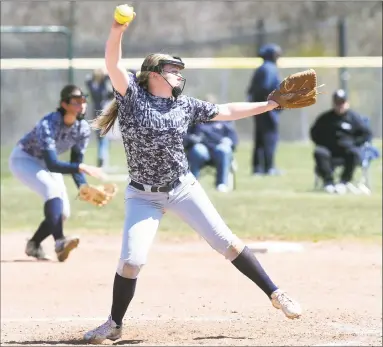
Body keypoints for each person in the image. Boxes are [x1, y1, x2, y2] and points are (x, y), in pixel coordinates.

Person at [84, 14, 302, 344]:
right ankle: (114, 323)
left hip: (182, 188)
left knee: (227, 243)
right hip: (143, 196)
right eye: (173, 70)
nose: (178, 75)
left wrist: (270, 104)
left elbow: (226, 110)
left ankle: (276, 293)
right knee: (131, 262)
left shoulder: (184, 105)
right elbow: (112, 61)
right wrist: (117, 29)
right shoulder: (133, 98)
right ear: (155, 74)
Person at [8, 85, 104, 261]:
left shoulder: (82, 128)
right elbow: (53, 164)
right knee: (52, 190)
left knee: (62, 213)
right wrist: (80, 168)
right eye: (76, 101)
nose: (82, 105)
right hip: (24, 159)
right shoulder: (48, 124)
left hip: (45, 163)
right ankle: (60, 242)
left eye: (83, 101)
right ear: (64, 104)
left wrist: (83, 186)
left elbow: (75, 162)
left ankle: (34, 244)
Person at [310, 89, 372, 194]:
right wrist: (321, 143)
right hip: (329, 151)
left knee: (354, 153)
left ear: (347, 103)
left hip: (347, 151)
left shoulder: (354, 118)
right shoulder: (325, 118)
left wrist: (355, 143)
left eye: (342, 102)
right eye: (337, 103)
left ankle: (344, 181)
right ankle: (328, 182)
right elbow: (314, 132)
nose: (340, 106)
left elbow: (366, 134)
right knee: (319, 152)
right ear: (333, 103)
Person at [247, 43, 282, 176]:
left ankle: (257, 168)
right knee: (269, 138)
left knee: (260, 138)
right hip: (267, 109)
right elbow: (266, 87)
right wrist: (271, 104)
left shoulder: (261, 68)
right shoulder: (270, 68)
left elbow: (250, 91)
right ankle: (269, 167)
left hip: (258, 108)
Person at [184, 114, 238, 192]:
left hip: (218, 151)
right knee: (197, 149)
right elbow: (184, 137)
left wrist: (228, 141)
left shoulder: (225, 122)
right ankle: (193, 183)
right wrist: (192, 139)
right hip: (202, 151)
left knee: (224, 149)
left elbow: (234, 140)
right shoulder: (195, 122)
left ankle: (222, 184)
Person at [85, 68, 114, 168]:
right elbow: (108, 76)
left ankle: (102, 157)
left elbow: (88, 79)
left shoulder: (92, 84)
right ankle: (102, 157)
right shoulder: (102, 85)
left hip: (95, 112)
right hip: (103, 112)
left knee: (100, 138)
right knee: (103, 138)